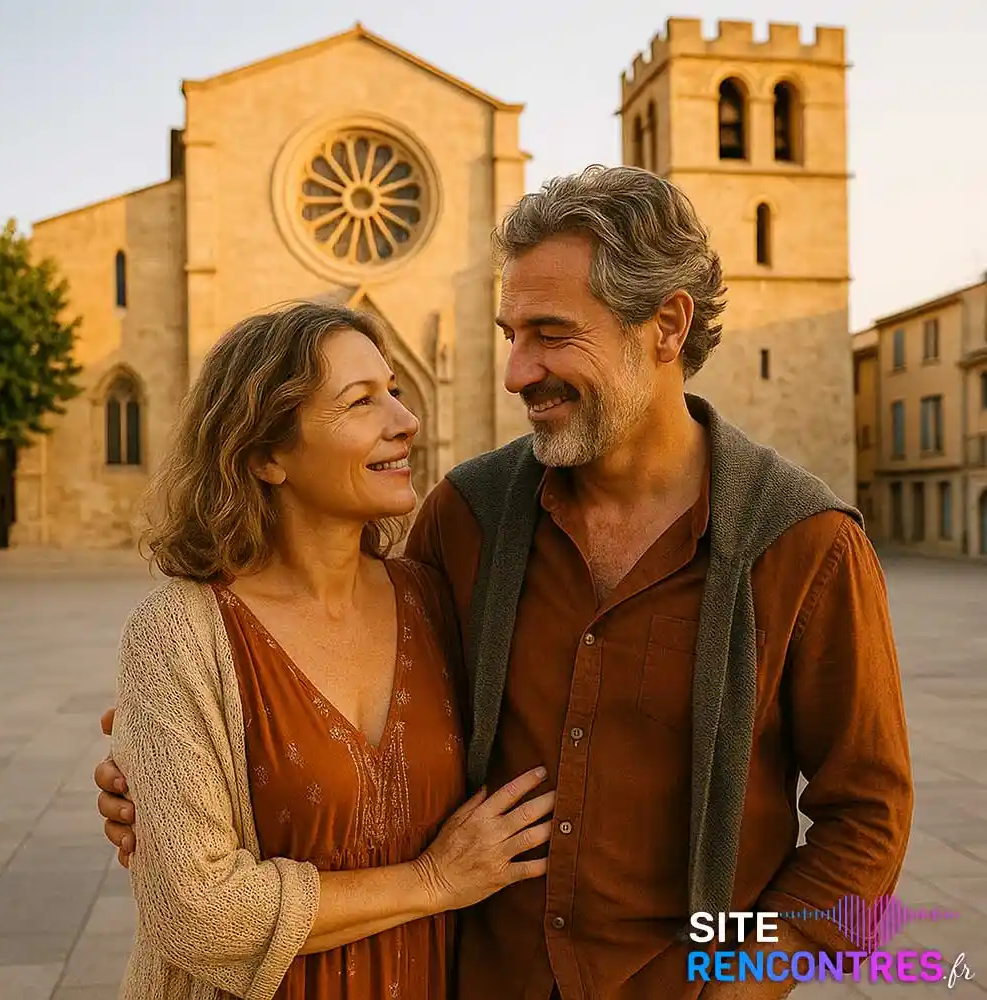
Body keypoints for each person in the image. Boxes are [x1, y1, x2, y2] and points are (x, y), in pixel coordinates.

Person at [96, 166, 914, 999]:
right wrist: (175, 760)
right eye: (509, 333)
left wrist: (739, 984)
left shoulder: (806, 546)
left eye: (551, 334)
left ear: (667, 324)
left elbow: (869, 820)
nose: (518, 371)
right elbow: (341, 687)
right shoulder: (467, 517)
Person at [101, 301, 555, 1000]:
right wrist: (435, 881)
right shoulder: (178, 635)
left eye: (396, 392)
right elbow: (195, 915)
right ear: (266, 455)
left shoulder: (437, 601)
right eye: (361, 402)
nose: (405, 422)